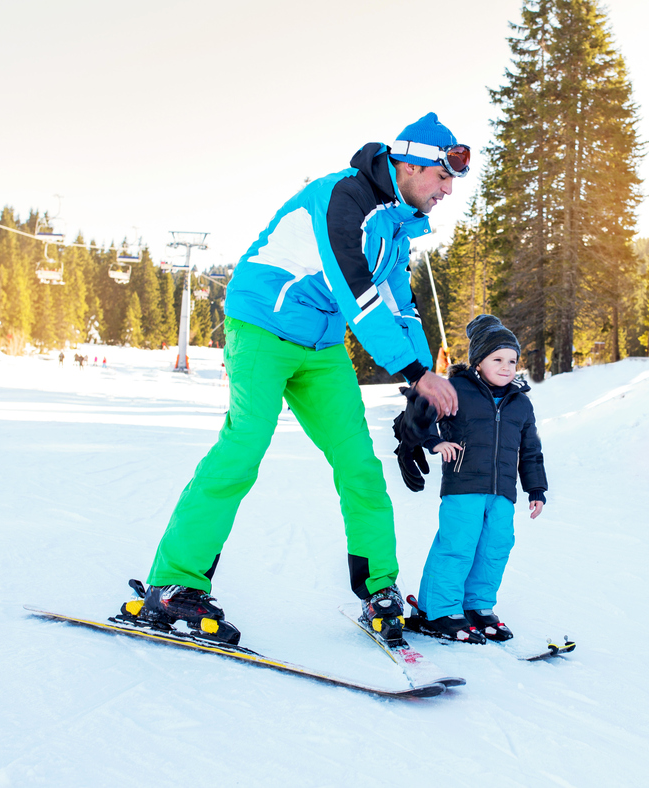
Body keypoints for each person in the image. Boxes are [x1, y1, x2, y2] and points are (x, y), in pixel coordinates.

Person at [134, 113, 465, 645]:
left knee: (359, 464)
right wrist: (416, 373)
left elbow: (402, 308)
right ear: (409, 163)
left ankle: (380, 591)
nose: (448, 190)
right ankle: (173, 585)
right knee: (242, 449)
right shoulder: (342, 198)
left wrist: (417, 390)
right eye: (442, 177)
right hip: (262, 324)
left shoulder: (399, 227)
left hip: (320, 345)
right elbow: (358, 292)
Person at [397, 314, 548, 644]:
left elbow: (531, 450)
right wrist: (433, 441)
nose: (507, 367)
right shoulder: (457, 390)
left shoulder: (520, 403)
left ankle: (477, 606)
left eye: (512, 360)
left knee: (496, 546)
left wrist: (535, 487)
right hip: (464, 484)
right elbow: (420, 412)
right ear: (478, 361)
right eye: (498, 359)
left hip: (502, 490)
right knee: (458, 545)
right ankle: (437, 611)